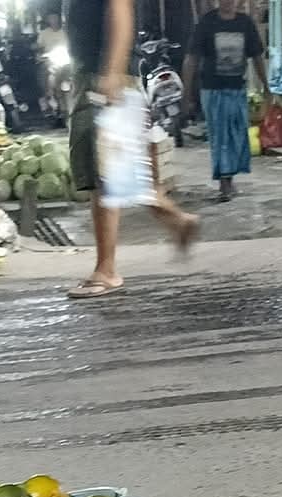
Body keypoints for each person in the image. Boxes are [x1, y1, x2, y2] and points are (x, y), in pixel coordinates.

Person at [64, 0, 198, 298]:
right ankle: (178, 220)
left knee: (105, 174)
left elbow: (121, 11)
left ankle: (106, 270)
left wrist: (112, 73)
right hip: (97, 75)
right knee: (120, 172)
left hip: (107, 78)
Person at [185, 0, 267, 201]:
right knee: (220, 137)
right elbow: (192, 58)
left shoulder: (245, 24)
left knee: (238, 136)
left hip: (237, 89)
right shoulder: (207, 23)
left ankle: (229, 177)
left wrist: (267, 86)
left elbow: (257, 57)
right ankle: (225, 182)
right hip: (213, 91)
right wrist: (186, 93)